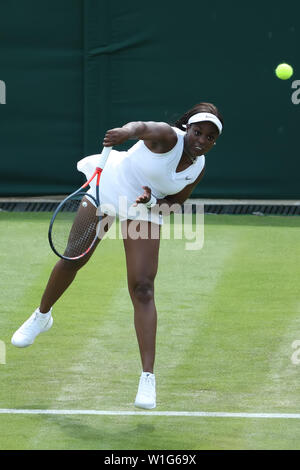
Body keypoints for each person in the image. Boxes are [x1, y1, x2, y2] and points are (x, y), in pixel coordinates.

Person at [11, 102, 224, 409]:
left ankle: (147, 379)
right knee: (74, 258)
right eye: (198, 132)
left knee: (143, 287)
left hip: (142, 208)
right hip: (109, 188)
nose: (201, 140)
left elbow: (174, 204)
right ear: (187, 127)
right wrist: (125, 132)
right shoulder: (167, 136)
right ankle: (41, 316)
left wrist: (151, 202)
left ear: (214, 142)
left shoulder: (198, 168)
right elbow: (141, 127)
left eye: (209, 138)